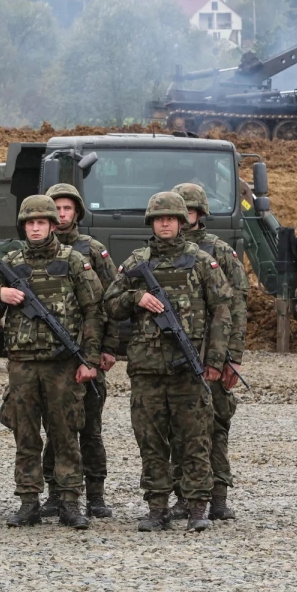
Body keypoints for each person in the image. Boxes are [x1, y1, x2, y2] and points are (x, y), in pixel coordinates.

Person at [103, 191, 233, 532]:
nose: (165, 223)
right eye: (160, 218)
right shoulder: (136, 262)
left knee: (194, 439)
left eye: (172, 218)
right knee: (150, 440)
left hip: (188, 369)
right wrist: (137, 298)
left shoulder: (201, 261)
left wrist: (217, 360)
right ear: (151, 222)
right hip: (146, 370)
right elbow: (110, 304)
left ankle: (197, 508)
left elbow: (222, 310)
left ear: (181, 222)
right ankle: (157, 508)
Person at [0, 195, 102, 530]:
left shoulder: (73, 261)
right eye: (30, 223)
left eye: (41, 222)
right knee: (26, 435)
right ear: (24, 226)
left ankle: (69, 502)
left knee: (65, 435)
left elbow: (94, 310)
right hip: (22, 365)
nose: (35, 228)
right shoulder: (10, 261)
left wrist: (89, 359)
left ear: (52, 224)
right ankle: (28, 501)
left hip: (62, 363)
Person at [170, 182, 248, 521]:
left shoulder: (218, 252)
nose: (183, 219)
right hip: (175, 357)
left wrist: (233, 355)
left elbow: (237, 306)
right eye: (178, 212)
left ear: (199, 214)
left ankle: (218, 496)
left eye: (188, 212)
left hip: (212, 354)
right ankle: (183, 496)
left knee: (215, 425)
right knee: (178, 428)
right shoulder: (163, 252)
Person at [41, 183, 117, 520]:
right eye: (55, 208)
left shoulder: (92, 249)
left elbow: (111, 301)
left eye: (67, 208)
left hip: (86, 352)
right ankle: (55, 493)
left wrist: (108, 348)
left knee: (89, 427)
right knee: (55, 428)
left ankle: (95, 495)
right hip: (51, 357)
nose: (60, 214)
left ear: (76, 212)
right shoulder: (36, 250)